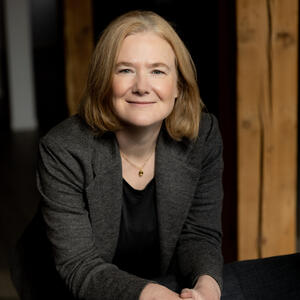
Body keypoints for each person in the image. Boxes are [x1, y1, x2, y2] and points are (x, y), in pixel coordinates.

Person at [10, 10, 223, 300]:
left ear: (179, 87)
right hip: (64, 286)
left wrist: (207, 288)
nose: (141, 86)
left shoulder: (203, 135)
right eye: (124, 70)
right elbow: (79, 266)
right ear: (103, 82)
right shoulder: (63, 148)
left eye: (157, 70)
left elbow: (199, 234)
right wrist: (153, 295)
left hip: (157, 281)